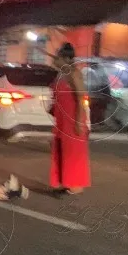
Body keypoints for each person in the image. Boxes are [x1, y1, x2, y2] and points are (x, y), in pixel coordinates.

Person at [49, 42, 90, 196]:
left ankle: (75, 184)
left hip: (73, 118)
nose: (54, 59)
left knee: (73, 152)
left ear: (65, 58)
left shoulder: (74, 73)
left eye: (57, 56)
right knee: (61, 150)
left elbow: (80, 97)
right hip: (61, 118)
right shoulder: (61, 73)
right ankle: (65, 181)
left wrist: (79, 122)